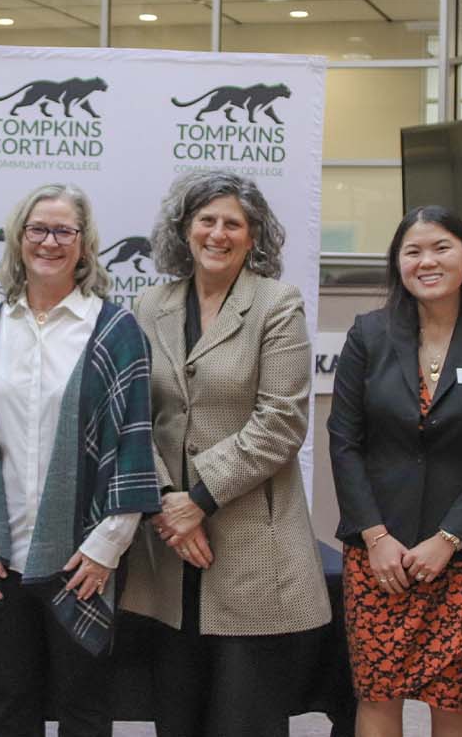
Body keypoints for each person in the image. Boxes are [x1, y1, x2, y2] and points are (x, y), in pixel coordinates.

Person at [0, 183, 161, 737]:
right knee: (11, 706)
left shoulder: (115, 331)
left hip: (84, 558)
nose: (49, 242)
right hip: (0, 558)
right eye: (37, 229)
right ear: (18, 239)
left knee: (84, 711)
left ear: (84, 244)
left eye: (63, 231)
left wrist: (105, 549)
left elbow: (133, 447)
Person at [119, 169, 332, 737]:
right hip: (169, 549)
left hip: (249, 545)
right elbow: (133, 415)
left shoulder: (277, 303)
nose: (218, 233)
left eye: (233, 223)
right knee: (176, 717)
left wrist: (198, 499)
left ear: (253, 234)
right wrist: (168, 501)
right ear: (183, 229)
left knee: (246, 719)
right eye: (206, 220)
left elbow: (281, 421)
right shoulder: (149, 304)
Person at [328, 205, 462, 737]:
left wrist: (449, 539)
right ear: (397, 263)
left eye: (441, 247)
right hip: (380, 553)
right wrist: (375, 537)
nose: (427, 261)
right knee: (377, 695)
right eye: (412, 251)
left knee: (453, 699)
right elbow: (344, 441)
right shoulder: (369, 334)